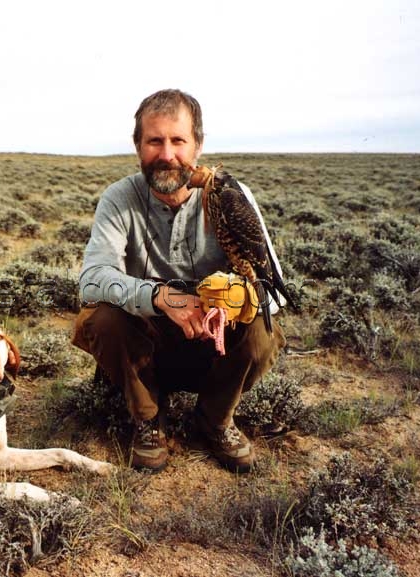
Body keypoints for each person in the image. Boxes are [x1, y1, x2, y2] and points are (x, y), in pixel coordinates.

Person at [72, 89, 288, 473]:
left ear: (198, 146)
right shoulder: (119, 198)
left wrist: (238, 301)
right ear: (138, 146)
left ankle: (215, 419)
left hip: (214, 344)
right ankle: (149, 417)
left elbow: (274, 288)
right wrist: (158, 297)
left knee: (262, 331)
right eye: (154, 141)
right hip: (149, 345)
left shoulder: (233, 196)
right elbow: (91, 280)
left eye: (178, 141)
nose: (167, 154)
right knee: (101, 317)